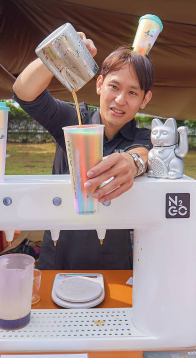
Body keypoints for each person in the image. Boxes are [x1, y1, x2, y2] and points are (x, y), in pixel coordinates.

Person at [13, 33, 153, 270]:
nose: (120, 100)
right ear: (99, 85)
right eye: (114, 86)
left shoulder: (143, 137)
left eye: (132, 92)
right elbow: (24, 93)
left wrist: (132, 161)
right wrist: (57, 52)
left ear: (144, 99)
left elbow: (144, 153)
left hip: (115, 265)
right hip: (57, 259)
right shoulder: (75, 120)